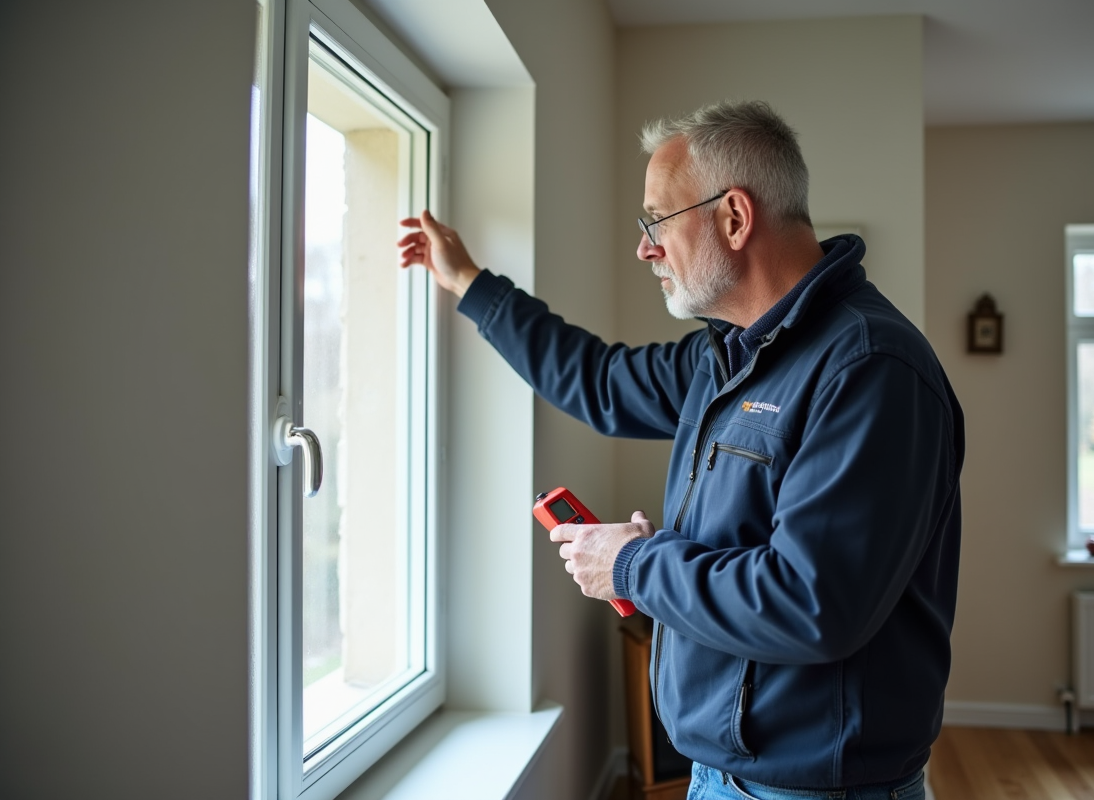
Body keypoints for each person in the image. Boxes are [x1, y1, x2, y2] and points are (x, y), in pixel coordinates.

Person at [399, 100, 963, 800]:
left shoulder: (871, 370)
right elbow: (598, 382)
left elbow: (814, 603)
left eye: (655, 222)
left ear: (733, 217)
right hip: (721, 776)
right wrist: (469, 284)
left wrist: (635, 564)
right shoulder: (725, 358)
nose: (644, 248)